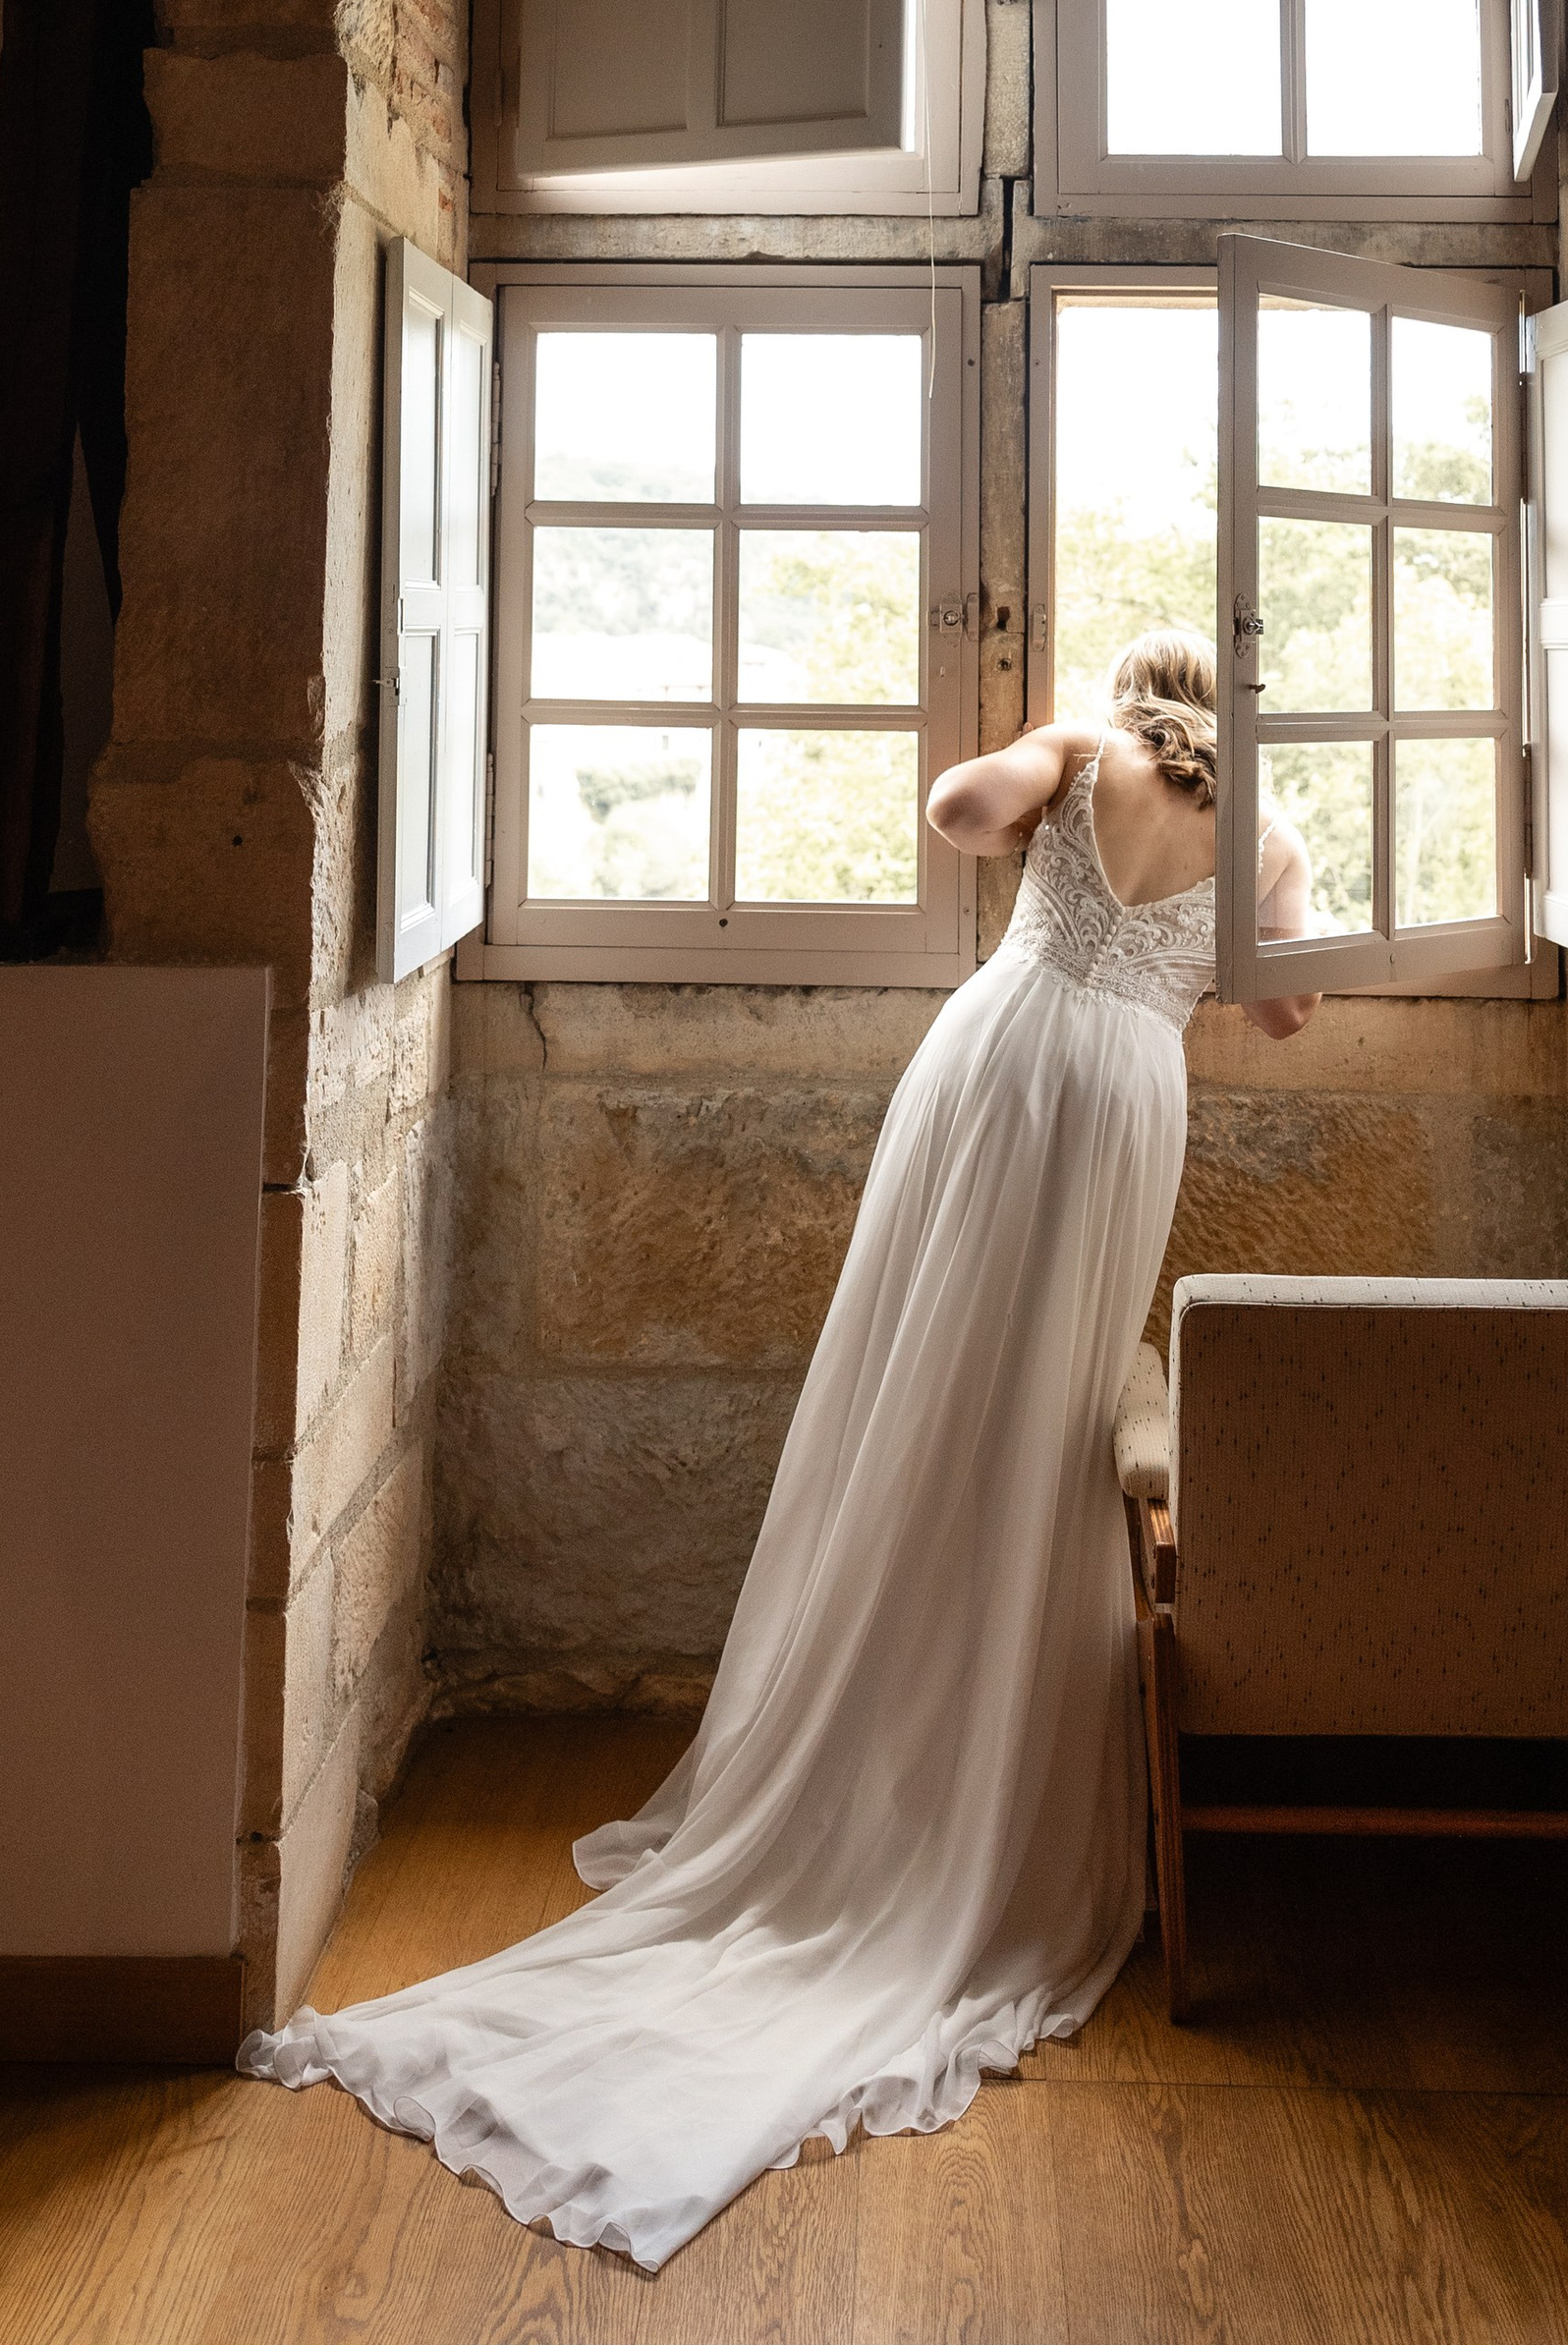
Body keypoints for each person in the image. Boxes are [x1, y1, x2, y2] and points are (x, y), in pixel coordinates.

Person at [239, 627, 1318, 2269]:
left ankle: (866, 1762)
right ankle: (988, 1780)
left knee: (924, 1393)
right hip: (1123, 1103)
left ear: (1131, 693)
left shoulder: (1082, 751)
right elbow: (1298, 1009)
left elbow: (958, 813)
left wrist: (1049, 774)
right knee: (1046, 1432)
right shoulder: (1274, 835)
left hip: (1006, 1054)